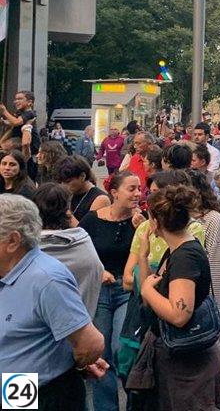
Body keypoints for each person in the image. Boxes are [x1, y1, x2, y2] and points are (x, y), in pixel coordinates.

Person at [0, 195, 108, 408]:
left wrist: (75, 363)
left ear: (12, 241)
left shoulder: (46, 279)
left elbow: (91, 344)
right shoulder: (8, 271)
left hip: (41, 393)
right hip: (14, 390)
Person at [139, 184, 220, 410]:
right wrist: (143, 256)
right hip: (180, 357)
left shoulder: (184, 258)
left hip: (187, 364)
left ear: (156, 222)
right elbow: (152, 298)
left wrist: (147, 290)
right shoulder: (177, 249)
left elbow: (179, 315)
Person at [78, 171, 140, 411]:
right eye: (131, 189)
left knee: (122, 349)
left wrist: (144, 230)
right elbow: (79, 251)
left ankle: (135, 402)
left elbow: (150, 255)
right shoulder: (93, 220)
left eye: (139, 189)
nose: (138, 194)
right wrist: (99, 270)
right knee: (100, 354)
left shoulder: (141, 221)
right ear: (114, 192)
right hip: (100, 291)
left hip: (127, 290)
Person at [34, 183, 104, 317]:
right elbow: (97, 270)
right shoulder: (82, 240)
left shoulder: (25, 249)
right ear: (67, 210)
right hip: (82, 318)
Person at [188, 169, 220, 309]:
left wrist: (213, 306)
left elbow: (215, 267)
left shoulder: (212, 219)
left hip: (203, 301)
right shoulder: (179, 219)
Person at [58, 156, 111, 221]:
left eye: (68, 182)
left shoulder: (100, 199)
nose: (63, 186)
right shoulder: (70, 194)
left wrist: (65, 211)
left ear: (82, 176)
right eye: (61, 182)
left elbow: (89, 227)